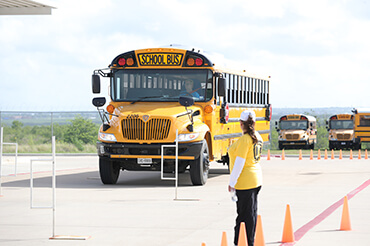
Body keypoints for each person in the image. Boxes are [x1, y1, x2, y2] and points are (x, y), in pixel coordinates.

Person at [228, 110, 263, 246]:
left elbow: (239, 163)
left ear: (241, 123)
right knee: (251, 213)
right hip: (255, 179)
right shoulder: (257, 136)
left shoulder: (245, 139)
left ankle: (243, 242)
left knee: (243, 216)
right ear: (254, 123)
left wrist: (232, 182)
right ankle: (249, 241)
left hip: (245, 182)